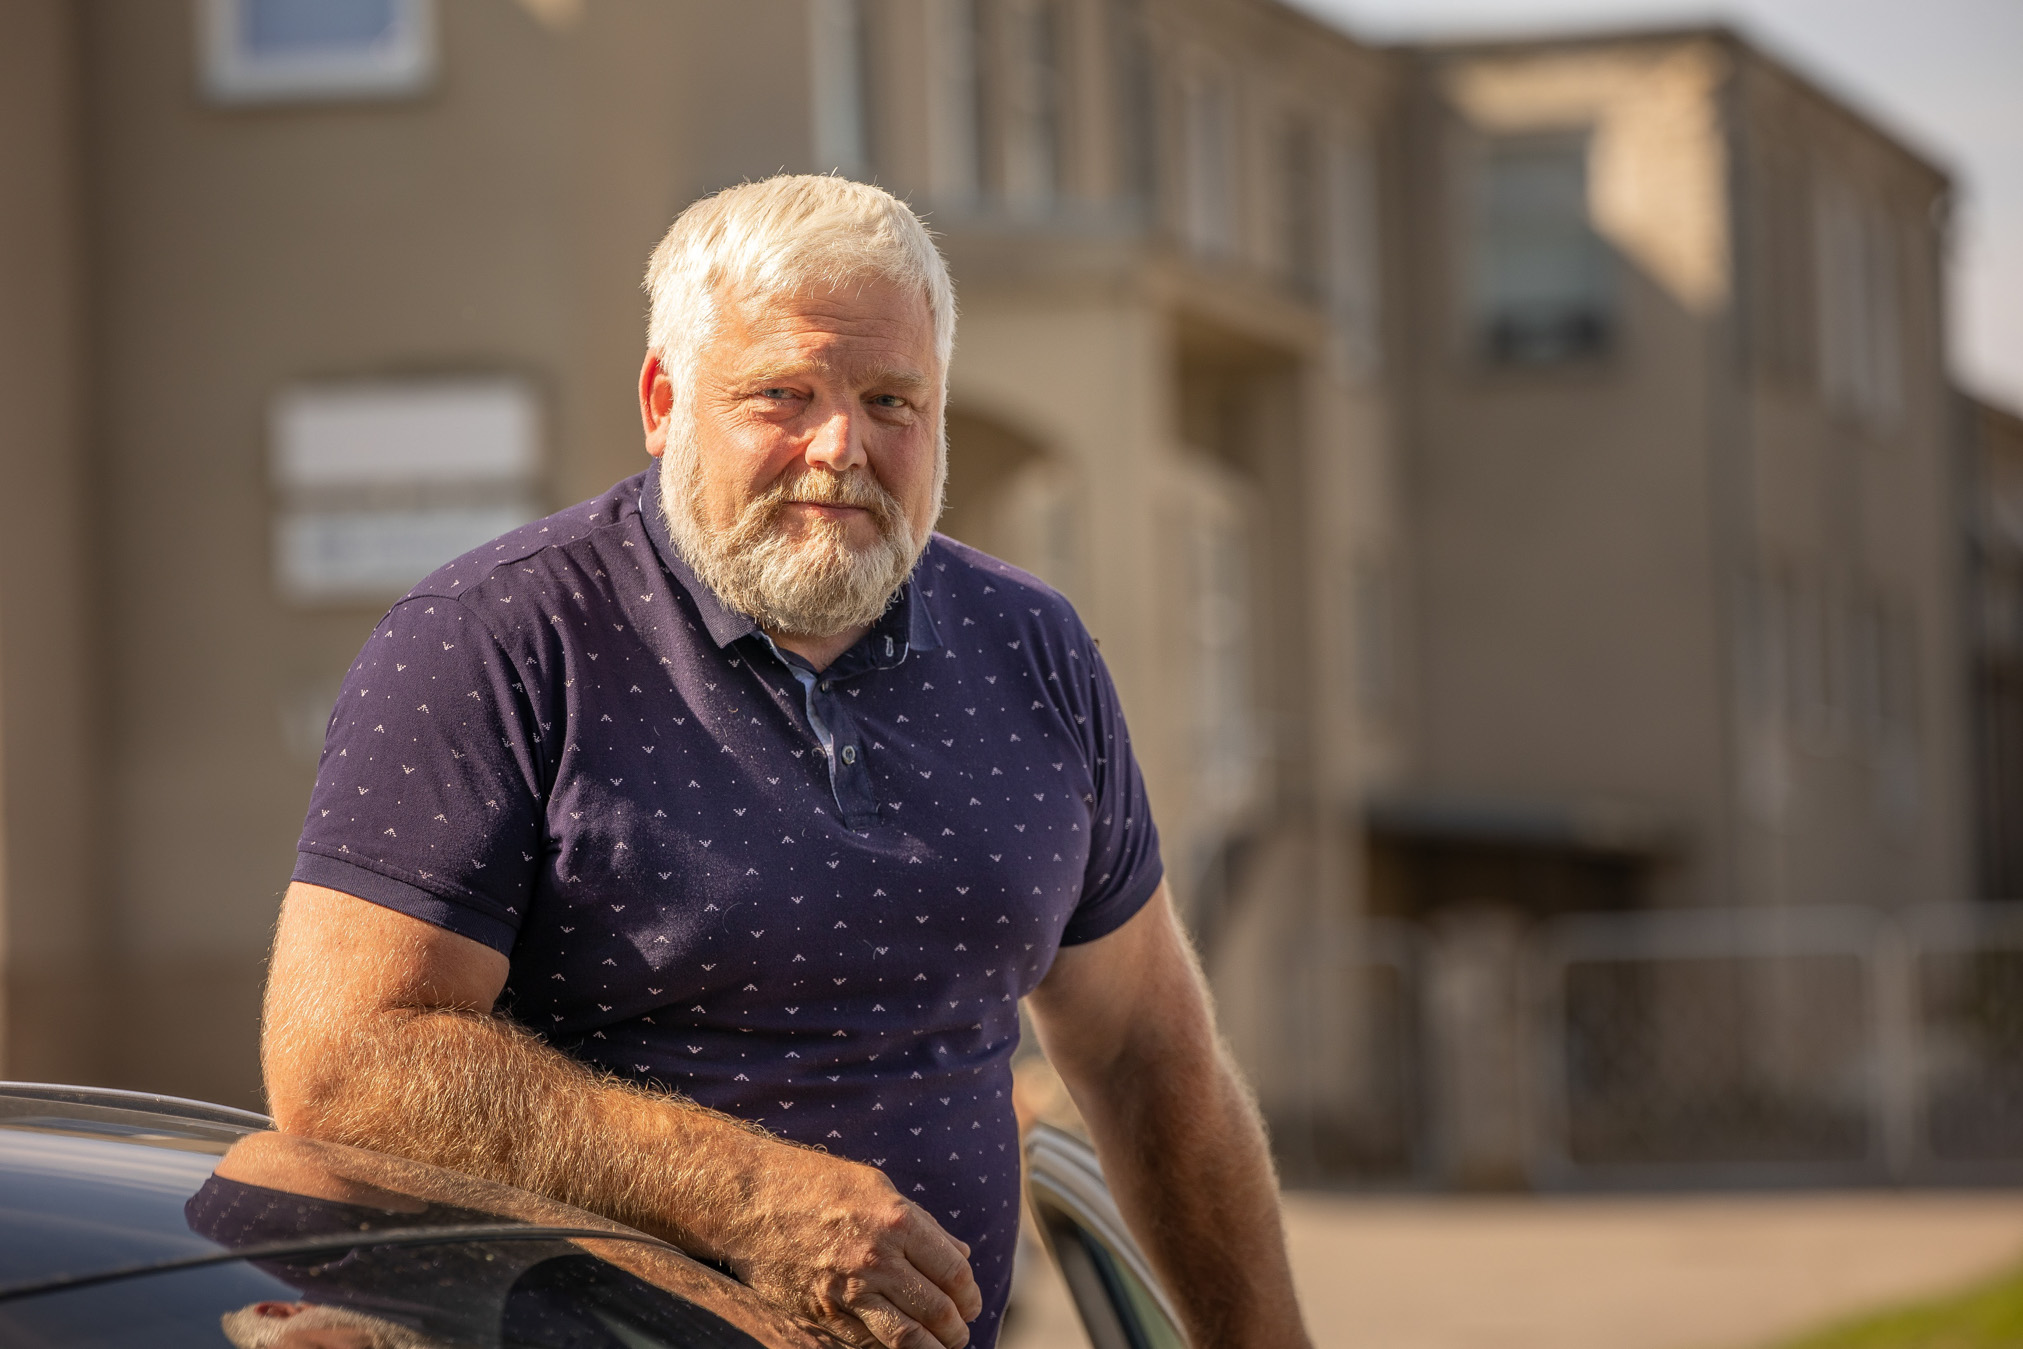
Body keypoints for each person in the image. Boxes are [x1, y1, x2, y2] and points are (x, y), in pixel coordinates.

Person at [262, 174, 1312, 1349]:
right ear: (664, 401)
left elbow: (1145, 1051)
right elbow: (345, 1064)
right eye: (783, 394)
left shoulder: (1036, 650)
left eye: (891, 400)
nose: (841, 447)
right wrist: (747, 1193)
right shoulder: (490, 642)